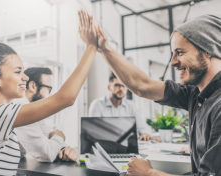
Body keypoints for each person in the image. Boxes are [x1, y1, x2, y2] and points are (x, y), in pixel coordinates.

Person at [0, 10, 97, 175]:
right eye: (17, 71)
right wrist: (91, 47)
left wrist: (60, 147)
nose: (25, 77)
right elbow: (66, 98)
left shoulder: (0, 115)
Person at [91, 13, 221, 175]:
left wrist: (149, 173)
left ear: (208, 50)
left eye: (180, 52)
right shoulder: (196, 94)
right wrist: (104, 49)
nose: (173, 62)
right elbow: (142, 86)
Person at [14, 67, 78, 162]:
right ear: (33, 86)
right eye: (49, 89)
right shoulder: (21, 109)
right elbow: (47, 154)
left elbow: (49, 135)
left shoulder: (33, 111)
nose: (49, 95)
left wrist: (64, 149)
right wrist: (60, 136)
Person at [89, 72, 152, 141]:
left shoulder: (131, 106)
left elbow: (143, 127)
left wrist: (145, 134)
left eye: (124, 86)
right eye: (117, 85)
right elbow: (93, 131)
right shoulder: (97, 105)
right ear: (109, 87)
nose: (121, 89)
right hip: (105, 145)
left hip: (128, 148)